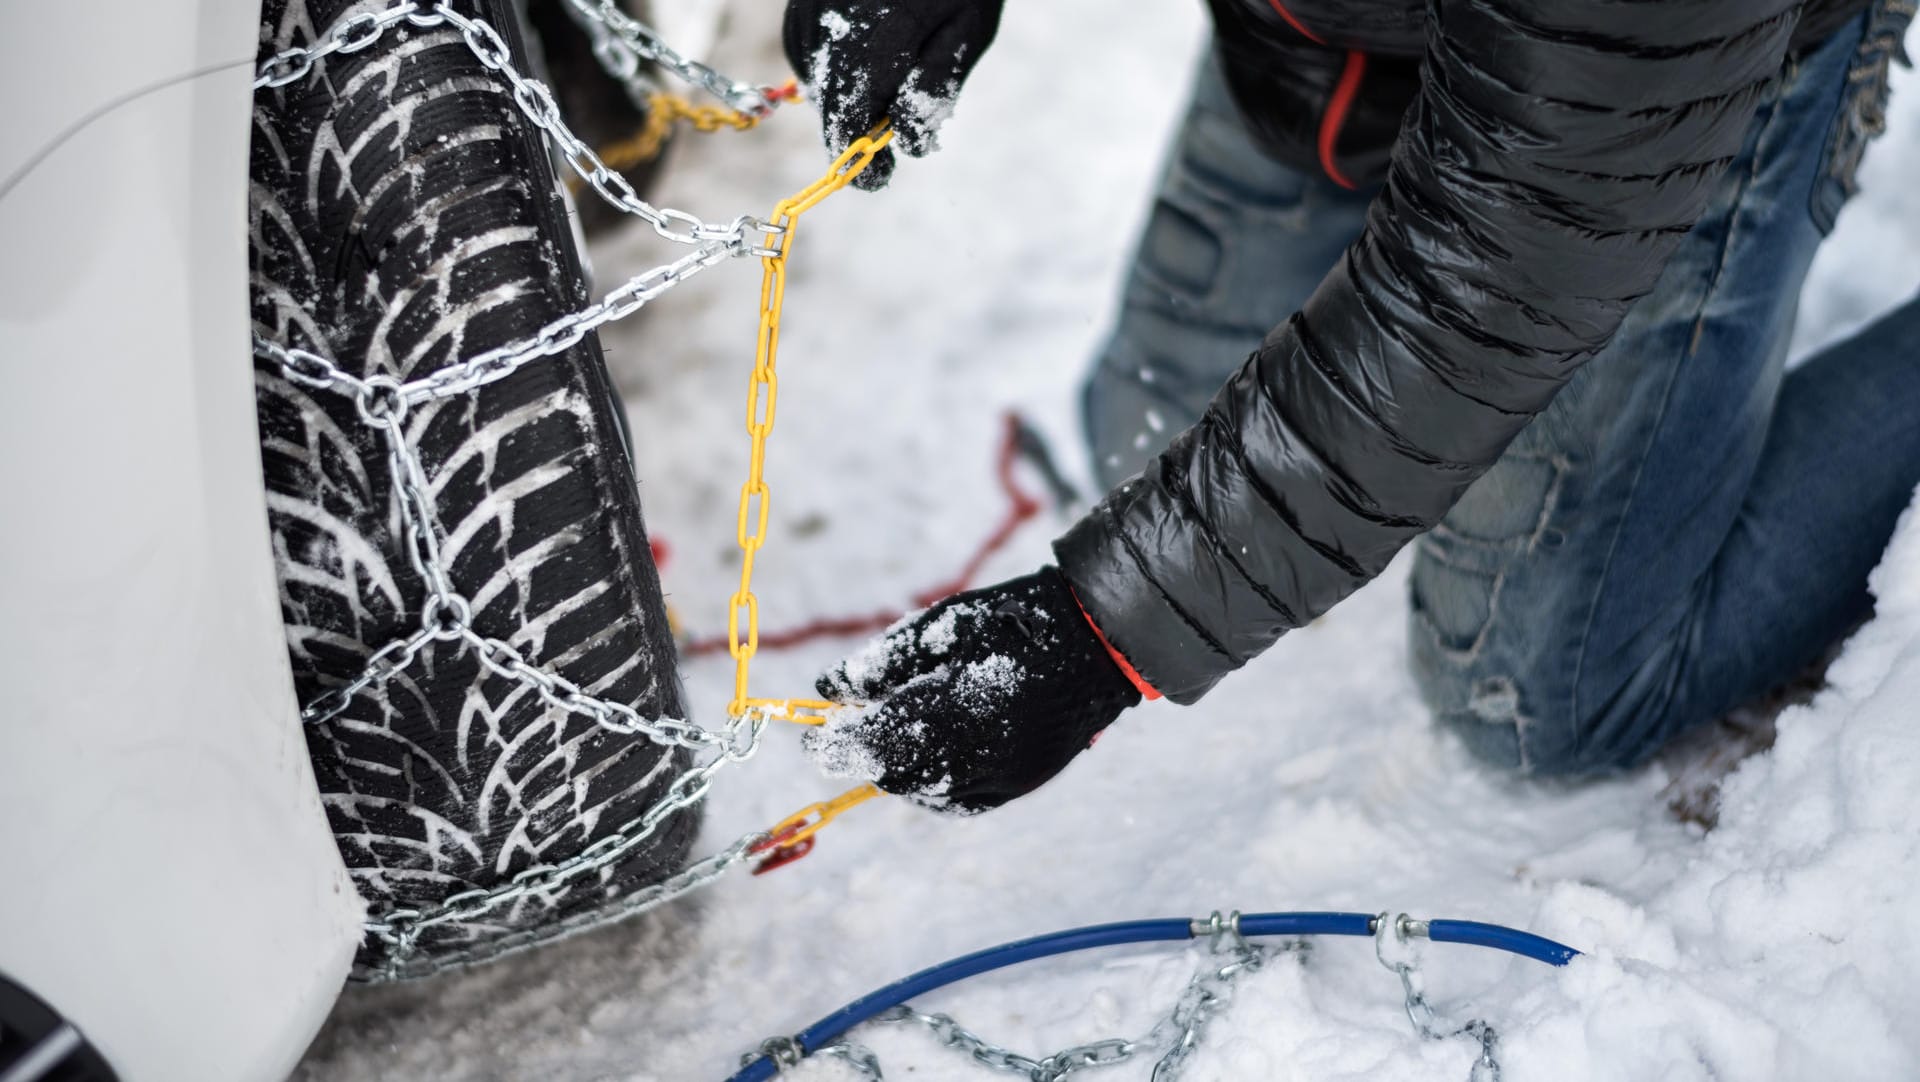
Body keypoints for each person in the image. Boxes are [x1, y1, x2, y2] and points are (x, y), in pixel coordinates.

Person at [783, 0, 1920, 813]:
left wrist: (1100, 637)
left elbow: (1493, 288)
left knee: (1534, 695)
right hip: (1326, 37)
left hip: (1664, 102)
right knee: (1137, 431)